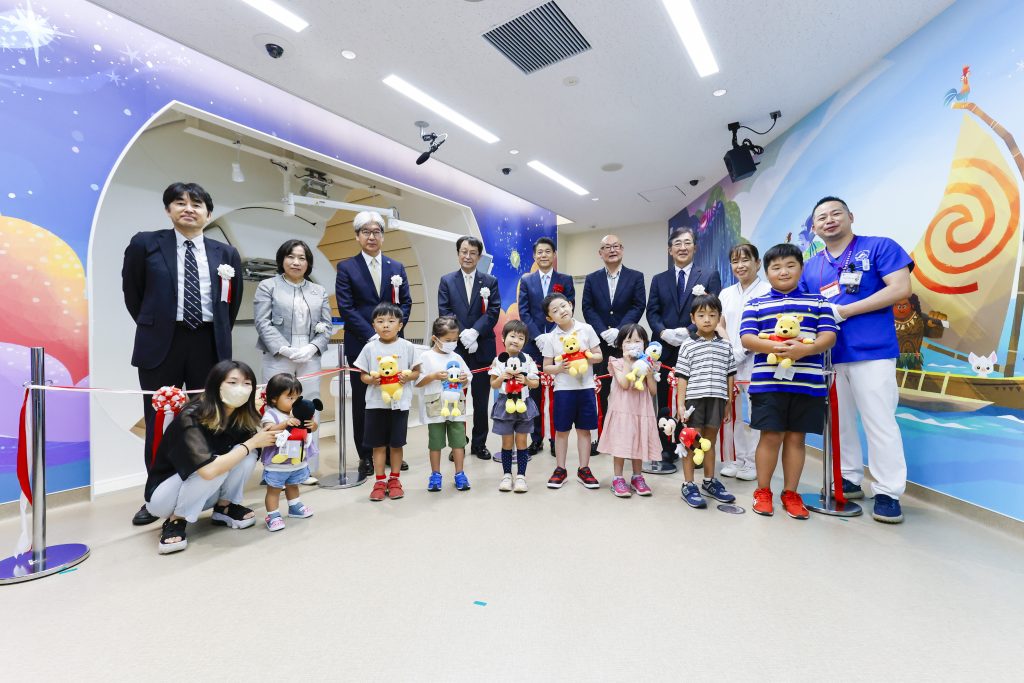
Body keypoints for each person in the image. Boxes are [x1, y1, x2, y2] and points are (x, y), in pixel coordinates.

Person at [122, 181, 244, 527]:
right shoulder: (146, 244)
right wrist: (158, 326)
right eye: (180, 202)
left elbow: (231, 303)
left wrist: (214, 333)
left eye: (196, 204)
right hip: (163, 343)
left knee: (211, 419)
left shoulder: (226, 253)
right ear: (168, 210)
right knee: (160, 419)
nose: (188, 208)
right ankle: (155, 496)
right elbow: (133, 294)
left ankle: (208, 491)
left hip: (208, 342)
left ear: (208, 212)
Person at [799, 196, 913, 523]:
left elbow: (900, 288)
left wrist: (846, 310)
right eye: (821, 217)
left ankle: (888, 491)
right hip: (831, 356)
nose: (829, 220)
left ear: (850, 216)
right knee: (840, 422)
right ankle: (849, 477)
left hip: (872, 351)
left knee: (879, 420)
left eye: (835, 213)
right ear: (815, 227)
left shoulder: (878, 247)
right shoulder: (812, 266)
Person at [740, 243, 838, 519]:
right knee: (770, 436)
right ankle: (763, 491)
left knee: (796, 438)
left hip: (808, 384)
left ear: (801, 268)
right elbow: (747, 338)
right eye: (776, 267)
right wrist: (776, 348)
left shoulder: (818, 302)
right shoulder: (756, 304)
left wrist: (805, 350)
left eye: (790, 265)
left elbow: (829, 336)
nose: (783, 271)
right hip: (768, 384)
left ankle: (791, 493)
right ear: (767, 272)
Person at [144, 360, 278, 554]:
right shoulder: (191, 416)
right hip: (164, 497)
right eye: (232, 382)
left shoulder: (241, 416)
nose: (240, 389)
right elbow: (208, 471)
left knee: (247, 457)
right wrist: (251, 443)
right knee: (220, 465)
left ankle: (225, 507)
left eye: (247, 383)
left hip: (206, 492)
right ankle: (176, 520)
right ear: (216, 384)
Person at [335, 211, 413, 478]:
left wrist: (393, 332)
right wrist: (373, 335)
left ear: (383, 236)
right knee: (364, 400)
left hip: (394, 346)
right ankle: (366, 455)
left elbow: (406, 303)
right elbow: (346, 307)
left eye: (376, 231)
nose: (371, 236)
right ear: (357, 236)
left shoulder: (396, 267)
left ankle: (392, 451)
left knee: (394, 397)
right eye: (366, 232)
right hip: (361, 344)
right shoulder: (347, 267)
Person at [253, 239, 333, 485]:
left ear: (308, 263)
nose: (296, 262)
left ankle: (305, 467)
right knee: (276, 408)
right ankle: (274, 468)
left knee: (309, 407)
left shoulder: (318, 291)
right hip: (279, 355)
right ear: (282, 259)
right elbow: (262, 322)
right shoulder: (268, 286)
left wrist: (312, 347)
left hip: (309, 356)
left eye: (302, 258)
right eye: (291, 256)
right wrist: (284, 348)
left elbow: (327, 325)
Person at [645, 226, 722, 474]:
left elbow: (712, 308)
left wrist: (688, 331)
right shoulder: (659, 279)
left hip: (697, 346)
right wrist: (663, 333)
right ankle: (667, 448)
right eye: (677, 243)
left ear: (695, 247)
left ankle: (694, 448)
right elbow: (652, 311)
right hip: (665, 349)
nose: (682, 247)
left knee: (694, 400)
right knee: (665, 400)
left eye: (687, 243)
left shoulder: (709, 275)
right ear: (670, 250)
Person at [437, 236, 501, 460]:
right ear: (458, 254)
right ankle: (458, 445)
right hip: (456, 349)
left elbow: (493, 311)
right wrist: (464, 334)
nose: (468, 256)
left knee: (481, 401)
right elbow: (445, 311)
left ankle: (479, 444)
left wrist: (475, 332)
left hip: (482, 349)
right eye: (464, 251)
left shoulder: (490, 281)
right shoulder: (447, 281)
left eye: (473, 252)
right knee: (456, 399)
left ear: (479, 256)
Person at [582, 234, 647, 453]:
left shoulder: (636, 276)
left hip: (627, 344)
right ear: (600, 253)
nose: (612, 250)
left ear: (622, 249)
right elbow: (587, 307)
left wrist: (619, 330)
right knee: (600, 391)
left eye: (616, 246)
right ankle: (600, 438)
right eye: (607, 247)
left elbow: (638, 305)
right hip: (599, 344)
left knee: (628, 390)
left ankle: (627, 437)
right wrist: (603, 330)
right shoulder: (592, 279)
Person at [673, 294, 737, 508]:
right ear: (693, 318)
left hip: (717, 399)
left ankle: (709, 481)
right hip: (694, 401)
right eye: (701, 315)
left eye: (712, 314)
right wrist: (680, 404)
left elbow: (730, 375)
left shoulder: (726, 346)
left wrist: (728, 402)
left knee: (710, 441)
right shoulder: (687, 345)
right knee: (692, 442)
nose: (707, 319)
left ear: (719, 317)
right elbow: (682, 377)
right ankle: (688, 484)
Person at [354, 302, 420, 502]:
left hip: (400, 404)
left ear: (400, 325)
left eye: (391, 321)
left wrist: (407, 377)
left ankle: (395, 480)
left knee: (396, 444)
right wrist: (371, 380)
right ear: (373, 325)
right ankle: (380, 481)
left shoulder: (407, 347)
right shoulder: (369, 347)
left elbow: (416, 371)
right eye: (380, 321)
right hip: (376, 404)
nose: (385, 325)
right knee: (378, 445)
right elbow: (362, 375)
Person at [538, 292, 603, 489]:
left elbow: (599, 356)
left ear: (570, 305)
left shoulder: (586, 329)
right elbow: (546, 366)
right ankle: (560, 469)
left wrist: (586, 357)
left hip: (586, 388)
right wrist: (559, 368)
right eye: (555, 310)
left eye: (563, 306)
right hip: (563, 390)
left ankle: (584, 469)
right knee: (562, 431)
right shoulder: (551, 338)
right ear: (550, 318)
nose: (561, 311)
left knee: (584, 430)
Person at [517, 237, 575, 456]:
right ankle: (537, 438)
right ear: (534, 256)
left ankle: (555, 439)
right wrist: (538, 336)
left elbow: (568, 309)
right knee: (535, 393)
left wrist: (551, 336)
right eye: (539, 252)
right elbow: (524, 311)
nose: (543, 255)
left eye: (547, 251)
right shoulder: (527, 280)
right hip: (533, 345)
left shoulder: (565, 280)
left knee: (559, 393)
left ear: (554, 254)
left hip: (560, 343)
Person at [718, 243, 771, 480]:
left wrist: (744, 350)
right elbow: (720, 325)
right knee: (731, 414)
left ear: (757, 263)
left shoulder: (768, 291)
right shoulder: (726, 293)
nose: (740, 265)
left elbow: (767, 328)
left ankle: (752, 463)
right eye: (735, 261)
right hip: (730, 363)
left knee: (756, 415)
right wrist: (731, 351)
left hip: (758, 362)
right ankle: (735, 459)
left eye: (745, 260)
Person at [597, 324, 659, 498]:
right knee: (621, 444)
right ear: (620, 345)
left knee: (639, 442)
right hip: (622, 410)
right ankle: (618, 478)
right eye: (628, 341)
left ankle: (637, 477)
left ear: (645, 344)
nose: (633, 344)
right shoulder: (616, 362)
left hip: (641, 410)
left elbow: (653, 391)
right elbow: (624, 384)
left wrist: (649, 373)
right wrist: (626, 361)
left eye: (638, 341)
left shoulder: (649, 363)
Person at [414, 315, 472, 492]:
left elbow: (468, 378)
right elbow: (417, 382)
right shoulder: (425, 357)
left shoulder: (457, 357)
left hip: (455, 408)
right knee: (435, 442)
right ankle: (435, 475)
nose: (452, 343)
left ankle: (460, 474)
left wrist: (463, 379)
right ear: (435, 338)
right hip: (435, 406)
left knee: (458, 442)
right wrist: (433, 376)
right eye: (448, 340)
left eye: (455, 340)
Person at [260, 373, 317, 532]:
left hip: (296, 460)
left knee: (293, 484)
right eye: (290, 398)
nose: (295, 401)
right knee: (274, 489)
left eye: (297, 397)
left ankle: (294, 507)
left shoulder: (300, 412)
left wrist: (313, 425)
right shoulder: (271, 413)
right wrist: (285, 423)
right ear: (274, 399)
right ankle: (273, 515)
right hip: (276, 463)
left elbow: (312, 428)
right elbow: (268, 430)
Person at [489, 320, 541, 493]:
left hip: (523, 404)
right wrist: (501, 377)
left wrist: (526, 380)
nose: (516, 340)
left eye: (520, 338)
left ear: (524, 342)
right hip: (505, 404)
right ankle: (506, 475)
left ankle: (521, 477)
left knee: (522, 442)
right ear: (503, 338)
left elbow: (535, 383)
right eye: (512, 336)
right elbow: (493, 384)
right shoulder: (498, 360)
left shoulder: (528, 359)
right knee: (507, 442)